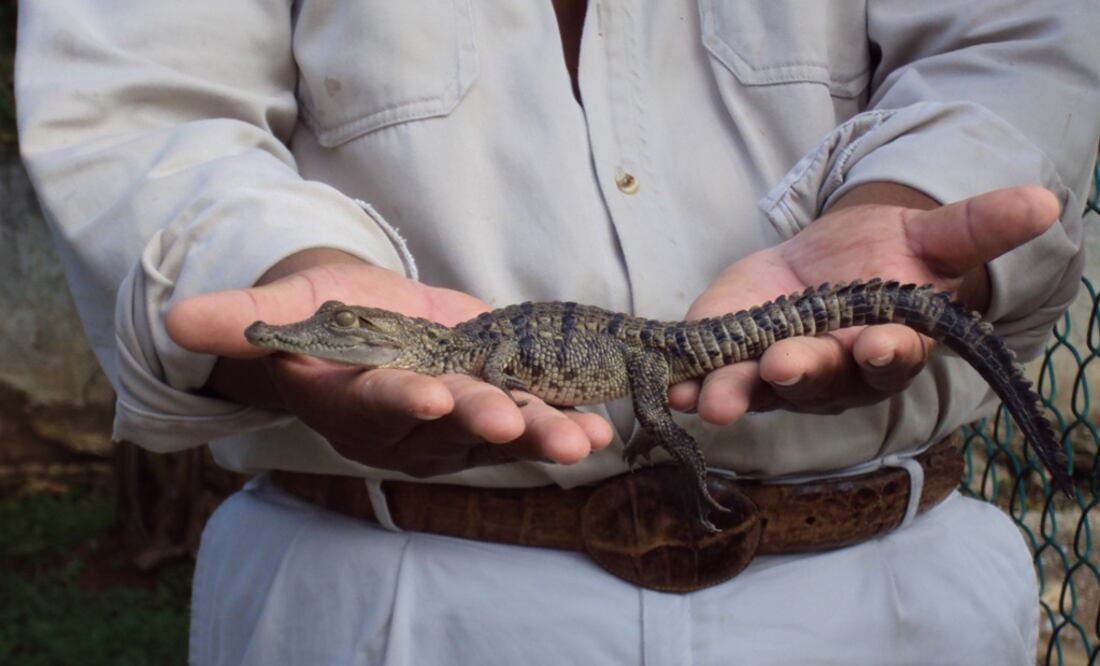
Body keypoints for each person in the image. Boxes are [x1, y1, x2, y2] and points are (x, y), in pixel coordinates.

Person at [15, 1, 1100, 664]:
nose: (342, 336)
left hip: (883, 599)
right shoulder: (443, 351)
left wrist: (904, 192)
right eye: (346, 331)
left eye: (352, 327)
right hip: (384, 607)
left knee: (662, 407)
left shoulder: (469, 349)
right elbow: (138, 100)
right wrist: (291, 269)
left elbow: (1013, 42)